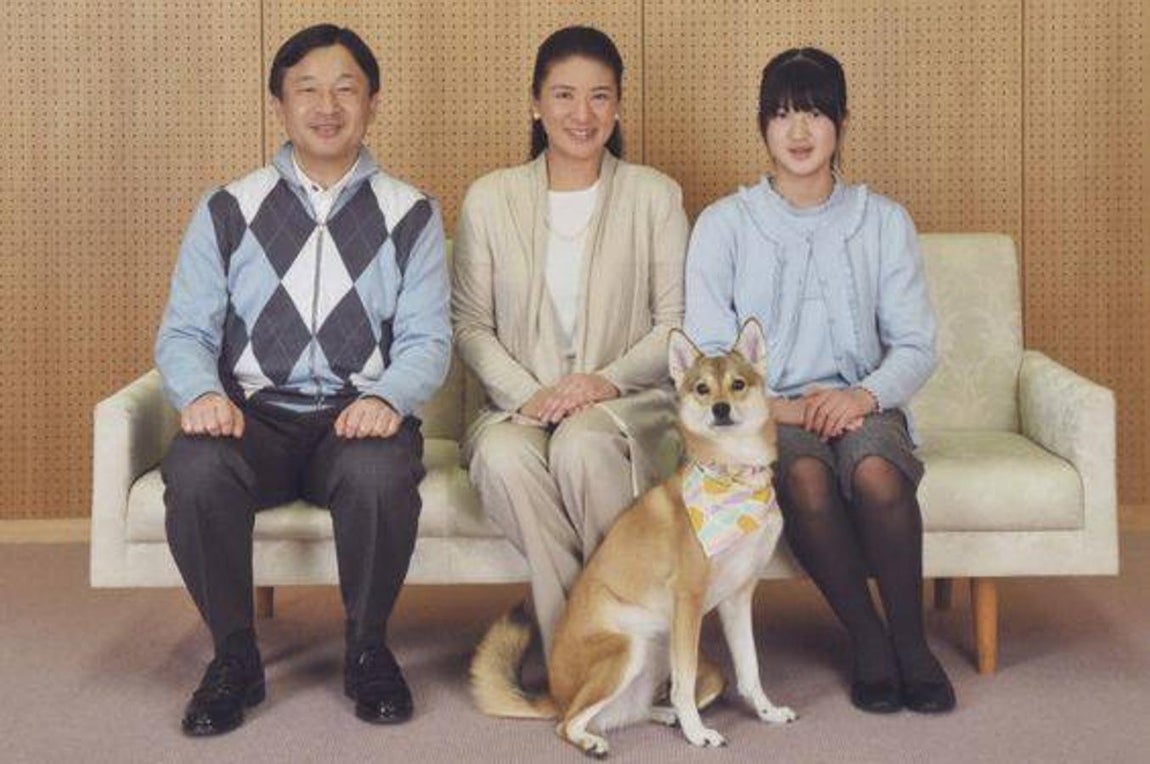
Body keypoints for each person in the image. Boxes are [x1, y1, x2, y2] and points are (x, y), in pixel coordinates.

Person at [155, 24, 450, 735]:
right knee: (194, 469)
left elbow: (427, 340)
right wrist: (202, 395)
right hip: (255, 416)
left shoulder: (410, 213)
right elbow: (185, 332)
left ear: (373, 102)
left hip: (358, 417)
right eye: (307, 90)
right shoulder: (228, 207)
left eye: (346, 88)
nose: (327, 105)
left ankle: (368, 649)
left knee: (380, 476)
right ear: (279, 106)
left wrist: (387, 397)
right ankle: (234, 656)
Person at [684, 47, 955, 714]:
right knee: (803, 477)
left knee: (875, 475)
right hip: (764, 417)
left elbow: (917, 343)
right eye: (780, 115)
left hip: (864, 404)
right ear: (762, 127)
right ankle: (867, 641)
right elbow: (708, 361)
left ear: (842, 121)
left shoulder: (882, 221)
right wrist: (787, 409)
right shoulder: (725, 225)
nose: (797, 131)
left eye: (813, 112)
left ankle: (912, 646)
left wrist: (861, 396)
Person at [452, 26, 688, 659]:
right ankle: (585, 650)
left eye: (599, 97)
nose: (581, 115)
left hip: (622, 402)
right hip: (516, 404)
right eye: (563, 96)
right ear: (535, 104)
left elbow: (675, 324)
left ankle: (601, 640)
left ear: (617, 106)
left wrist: (601, 382)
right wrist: (532, 396)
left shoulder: (655, 196)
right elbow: (470, 325)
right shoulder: (490, 198)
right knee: (504, 457)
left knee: (583, 447)